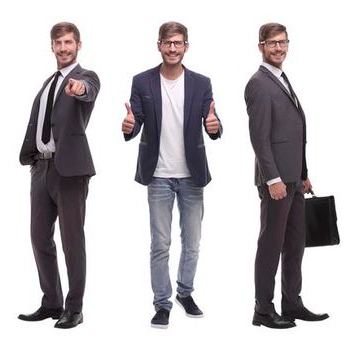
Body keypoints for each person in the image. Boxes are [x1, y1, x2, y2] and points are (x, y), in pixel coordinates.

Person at [122, 21, 223, 329]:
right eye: (168, 43)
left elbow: (213, 120)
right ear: (159, 46)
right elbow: (135, 120)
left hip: (192, 175)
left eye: (178, 43)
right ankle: (162, 302)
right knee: (160, 244)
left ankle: (185, 293)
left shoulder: (201, 83)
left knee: (192, 242)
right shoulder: (142, 81)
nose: (173, 48)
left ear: (186, 47)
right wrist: (128, 126)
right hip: (158, 175)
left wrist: (215, 126)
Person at [17, 21, 100, 330]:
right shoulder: (47, 83)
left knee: (72, 240)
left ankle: (74, 309)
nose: (64, 48)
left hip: (70, 171)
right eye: (58, 43)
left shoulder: (85, 77)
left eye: (69, 42)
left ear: (78, 45)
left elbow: (88, 90)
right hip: (40, 168)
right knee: (39, 237)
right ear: (52, 47)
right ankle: (51, 302)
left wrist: (80, 90)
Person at [245, 22, 327, 329]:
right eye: (272, 43)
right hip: (276, 180)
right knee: (271, 243)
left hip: (294, 178)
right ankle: (262, 310)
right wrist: (273, 179)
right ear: (261, 47)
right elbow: (260, 138)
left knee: (296, 243)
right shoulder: (258, 83)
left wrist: (303, 173)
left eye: (282, 42)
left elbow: (294, 132)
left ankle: (291, 303)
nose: (278, 48)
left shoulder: (280, 78)